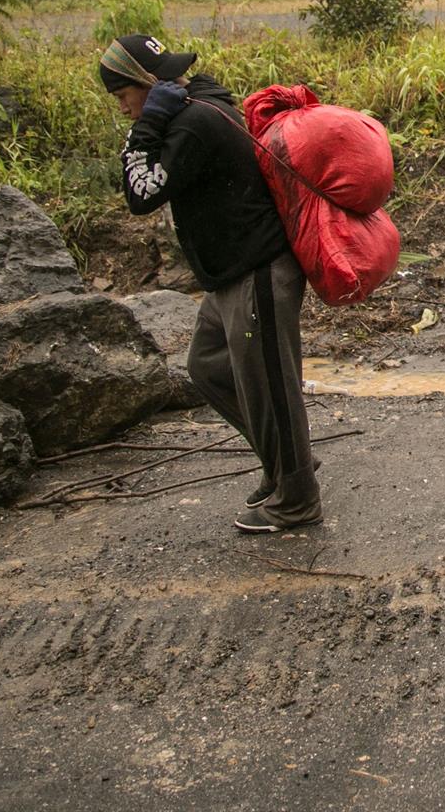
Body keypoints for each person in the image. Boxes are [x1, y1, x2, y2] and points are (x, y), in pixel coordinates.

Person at [100, 34, 322, 534]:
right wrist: (155, 117)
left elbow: (141, 194)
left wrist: (149, 123)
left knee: (271, 388)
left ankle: (297, 498)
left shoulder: (193, 121)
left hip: (258, 270)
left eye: (123, 97)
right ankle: (288, 463)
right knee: (208, 366)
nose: (123, 109)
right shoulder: (197, 104)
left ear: (145, 84)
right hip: (230, 275)